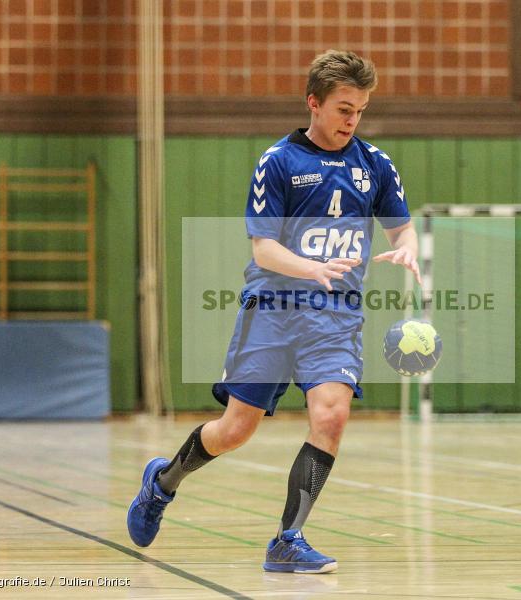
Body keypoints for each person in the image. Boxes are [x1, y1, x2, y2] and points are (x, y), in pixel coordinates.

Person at [126, 50, 420, 573]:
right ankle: (163, 481)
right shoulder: (280, 161)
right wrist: (313, 268)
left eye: (361, 110)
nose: (352, 121)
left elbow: (401, 226)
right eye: (343, 109)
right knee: (236, 430)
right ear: (314, 103)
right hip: (274, 309)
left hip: (335, 316)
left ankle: (288, 540)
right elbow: (263, 249)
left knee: (331, 416)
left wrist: (409, 247)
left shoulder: (375, 164)